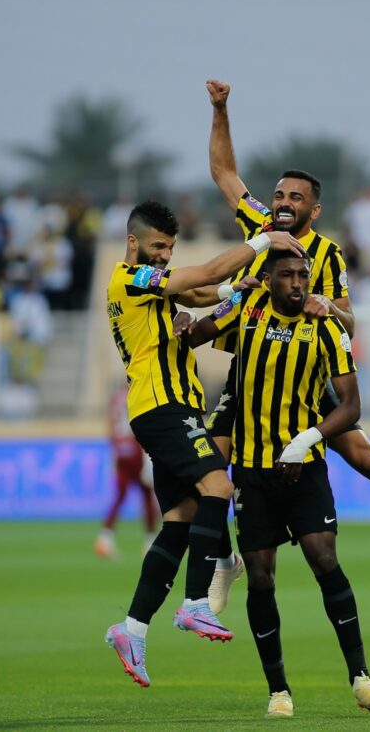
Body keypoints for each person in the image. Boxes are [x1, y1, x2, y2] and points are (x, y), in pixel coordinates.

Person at [197, 80, 370, 588]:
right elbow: (223, 172)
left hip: (307, 381)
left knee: (365, 457)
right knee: (205, 469)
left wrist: (328, 307)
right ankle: (224, 563)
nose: (283, 202)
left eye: (296, 197)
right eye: (279, 194)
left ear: (314, 210)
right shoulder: (260, 228)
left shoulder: (327, 255)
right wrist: (220, 109)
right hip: (250, 377)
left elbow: (350, 323)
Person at [103, 200, 303, 688]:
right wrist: (264, 241)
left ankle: (131, 629)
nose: (164, 255)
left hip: (171, 408)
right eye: (157, 246)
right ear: (132, 242)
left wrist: (235, 290)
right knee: (218, 485)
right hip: (163, 406)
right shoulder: (127, 278)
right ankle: (197, 599)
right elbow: (203, 275)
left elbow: (197, 293)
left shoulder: (147, 287)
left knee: (179, 522)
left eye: (169, 248)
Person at [185, 248, 370, 717]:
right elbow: (196, 334)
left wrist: (309, 438)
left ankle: (360, 675)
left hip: (306, 465)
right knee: (261, 577)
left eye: (302, 275)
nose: (297, 283)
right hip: (252, 470)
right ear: (269, 278)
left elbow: (351, 406)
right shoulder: (245, 308)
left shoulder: (325, 326)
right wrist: (181, 322)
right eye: (287, 275)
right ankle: (278, 691)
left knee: (325, 559)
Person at [94, 383, 159, 559]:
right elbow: (143, 423)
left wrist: (115, 451)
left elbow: (111, 426)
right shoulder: (138, 392)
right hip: (137, 451)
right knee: (147, 495)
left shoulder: (116, 396)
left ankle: (105, 538)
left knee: (119, 496)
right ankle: (150, 542)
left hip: (121, 452)